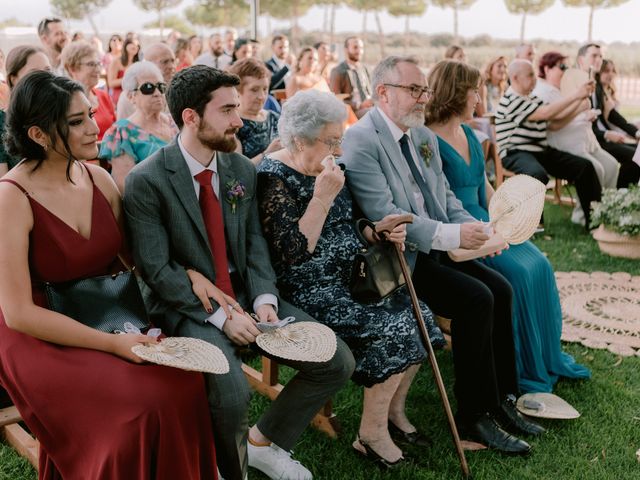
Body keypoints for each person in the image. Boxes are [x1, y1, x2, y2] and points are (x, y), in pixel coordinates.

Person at [123, 65, 354, 480]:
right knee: (230, 394)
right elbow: (157, 272)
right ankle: (234, 472)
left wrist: (265, 299)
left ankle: (265, 442)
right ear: (191, 116)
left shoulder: (240, 170)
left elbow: (254, 247)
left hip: (249, 297)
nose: (238, 120)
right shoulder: (147, 180)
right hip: (190, 308)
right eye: (227, 109)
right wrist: (220, 317)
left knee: (335, 360)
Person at [0, 70, 217, 480]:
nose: (94, 126)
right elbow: (17, 314)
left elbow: (139, 256)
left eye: (90, 114)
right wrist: (112, 346)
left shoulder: (98, 178)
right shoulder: (11, 197)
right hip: (38, 333)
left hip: (105, 310)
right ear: (40, 134)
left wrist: (190, 274)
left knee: (184, 383)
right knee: (140, 407)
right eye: (77, 121)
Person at [342, 55, 543, 455]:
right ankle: (473, 415)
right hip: (397, 259)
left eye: (424, 89)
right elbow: (387, 215)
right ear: (383, 92)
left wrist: (481, 229)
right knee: (476, 299)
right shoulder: (362, 139)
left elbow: (445, 198)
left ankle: (500, 399)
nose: (423, 98)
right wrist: (454, 235)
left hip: (435, 248)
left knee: (502, 290)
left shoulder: (421, 136)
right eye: (414, 89)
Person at [257, 89, 445, 467]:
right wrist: (321, 198)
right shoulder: (272, 177)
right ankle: (371, 435)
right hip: (310, 289)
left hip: (355, 278)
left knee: (421, 315)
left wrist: (376, 232)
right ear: (298, 140)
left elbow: (349, 225)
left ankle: (393, 412)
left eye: (339, 140)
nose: (339, 151)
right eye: (331, 141)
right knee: (393, 327)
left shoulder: (327, 166)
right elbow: (293, 253)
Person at [426, 59, 591, 394]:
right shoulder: (427, 140)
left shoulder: (471, 134)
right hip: (460, 229)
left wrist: (507, 215)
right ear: (458, 93)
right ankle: (515, 363)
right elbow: (438, 201)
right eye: (474, 90)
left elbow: (483, 185)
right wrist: (484, 230)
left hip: (490, 220)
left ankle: (543, 357)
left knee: (539, 265)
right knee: (516, 275)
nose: (479, 98)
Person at [495, 59, 602, 229]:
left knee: (585, 167)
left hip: (540, 151)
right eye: (530, 75)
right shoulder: (511, 99)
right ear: (515, 78)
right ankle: (532, 224)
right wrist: (576, 96)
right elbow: (546, 113)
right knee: (536, 173)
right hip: (515, 152)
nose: (535, 79)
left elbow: (555, 122)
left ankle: (596, 221)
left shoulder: (532, 99)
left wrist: (579, 107)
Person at [532, 52, 618, 192]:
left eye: (568, 67)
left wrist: (584, 112)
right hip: (565, 145)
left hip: (584, 141)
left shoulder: (559, 89)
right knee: (597, 170)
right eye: (562, 66)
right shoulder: (542, 92)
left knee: (612, 165)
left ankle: (606, 206)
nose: (566, 71)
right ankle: (586, 212)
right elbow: (553, 121)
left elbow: (569, 112)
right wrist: (581, 107)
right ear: (547, 69)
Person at [100, 61, 177, 192]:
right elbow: (126, 187)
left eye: (161, 86)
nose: (157, 93)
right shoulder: (121, 133)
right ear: (131, 96)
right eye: (148, 87)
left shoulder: (175, 122)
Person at [577, 44, 640, 188]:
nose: (598, 59)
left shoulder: (597, 88)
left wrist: (636, 132)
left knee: (638, 153)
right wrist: (606, 134)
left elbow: (613, 116)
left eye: (600, 56)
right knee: (635, 155)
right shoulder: (580, 84)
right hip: (594, 140)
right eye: (594, 56)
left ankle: (621, 193)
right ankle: (618, 195)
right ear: (581, 59)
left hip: (603, 135)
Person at [0, 45, 53, 175]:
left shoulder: (59, 115)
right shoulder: (1, 122)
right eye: (34, 73)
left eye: (47, 71)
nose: (44, 78)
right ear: (13, 79)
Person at [228, 58, 281, 164]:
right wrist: (268, 153)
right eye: (254, 90)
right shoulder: (233, 125)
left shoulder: (275, 117)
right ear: (237, 91)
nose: (261, 96)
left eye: (265, 89)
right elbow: (237, 172)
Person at [61, 41, 116, 141]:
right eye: (91, 64)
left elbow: (115, 130)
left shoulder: (103, 96)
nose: (98, 69)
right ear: (72, 68)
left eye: (98, 64)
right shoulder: (64, 102)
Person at [117, 42, 176, 120]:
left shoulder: (176, 89)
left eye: (173, 61)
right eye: (165, 62)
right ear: (149, 63)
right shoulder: (129, 96)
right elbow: (123, 128)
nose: (171, 66)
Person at [330, 36, 373, 119]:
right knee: (375, 114)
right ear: (346, 49)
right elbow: (336, 100)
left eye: (361, 48)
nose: (359, 51)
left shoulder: (365, 68)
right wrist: (359, 105)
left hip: (371, 107)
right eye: (355, 47)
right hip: (353, 112)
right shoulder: (337, 71)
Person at [107, 36, 139, 105]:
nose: (135, 46)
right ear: (126, 46)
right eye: (132, 44)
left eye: (137, 45)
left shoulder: (138, 63)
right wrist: (128, 79)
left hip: (135, 93)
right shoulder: (116, 62)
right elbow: (111, 83)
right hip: (119, 93)